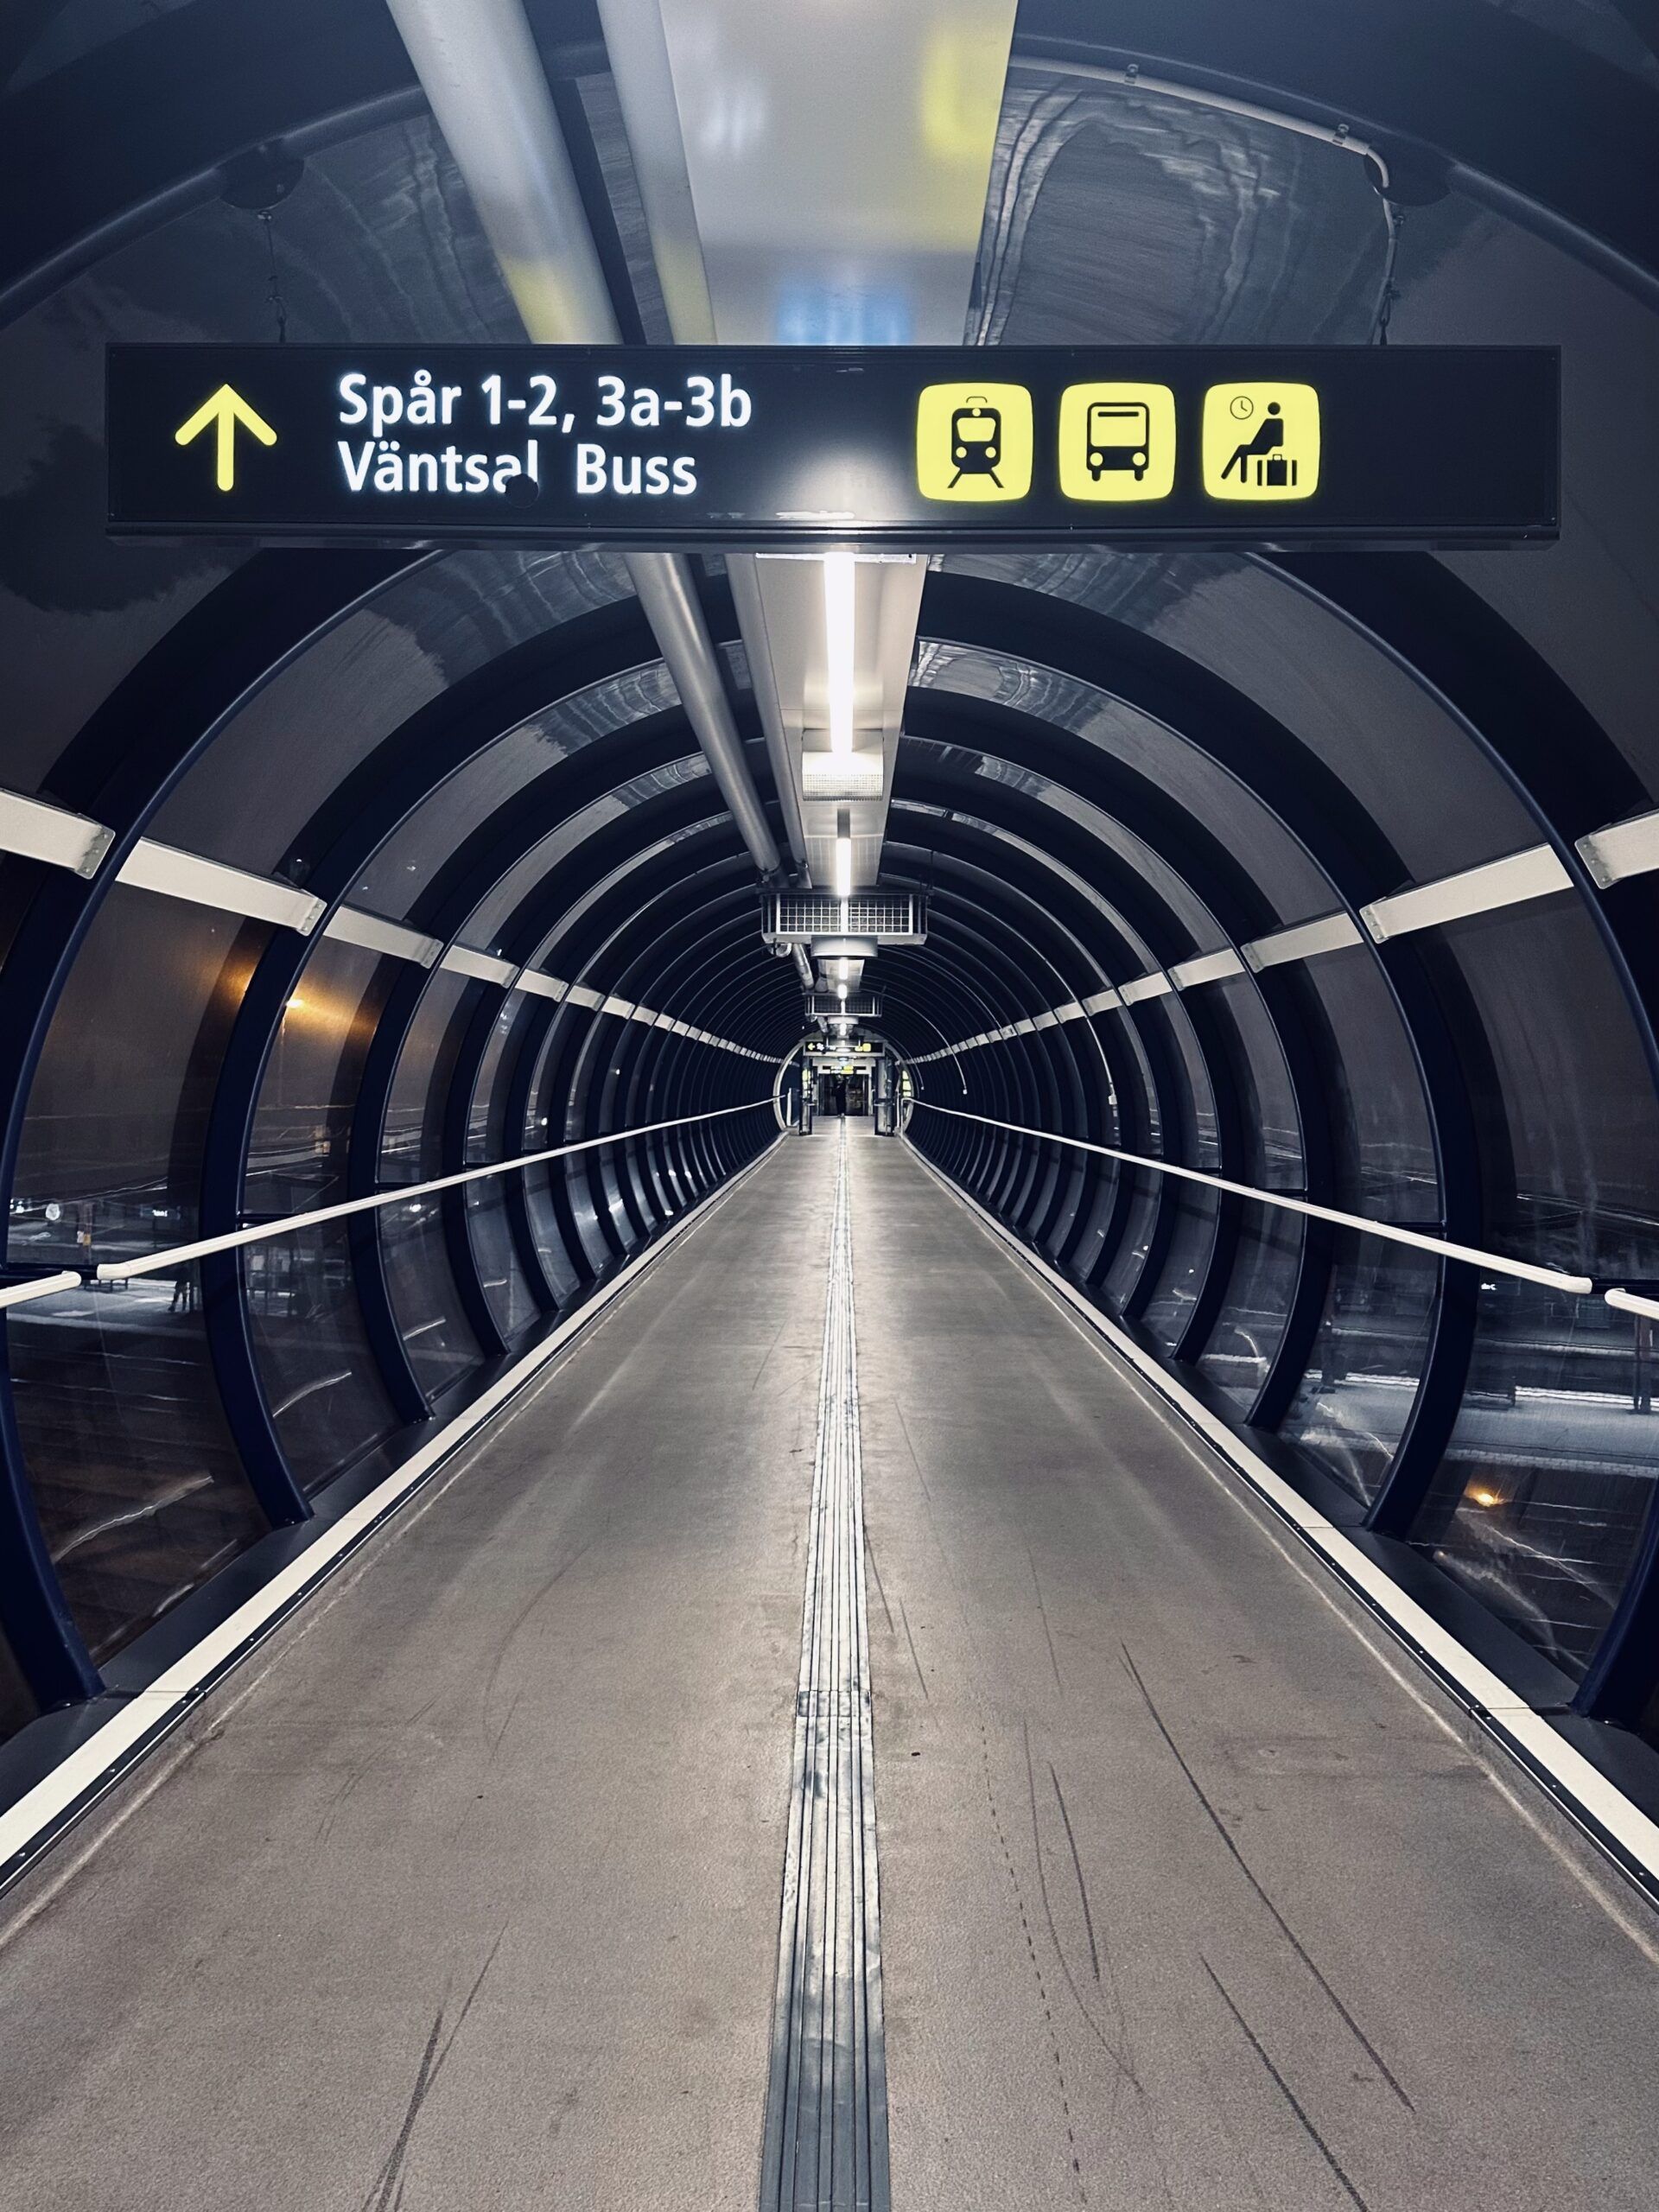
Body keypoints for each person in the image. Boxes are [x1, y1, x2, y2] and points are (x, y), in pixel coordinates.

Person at [1222, 401, 1284, 481]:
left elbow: (1276, 441)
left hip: (1263, 448)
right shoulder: (1276, 422)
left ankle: (1234, 476)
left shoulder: (1270, 423)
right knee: (1242, 449)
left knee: (1241, 449)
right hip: (1262, 446)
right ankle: (1239, 477)